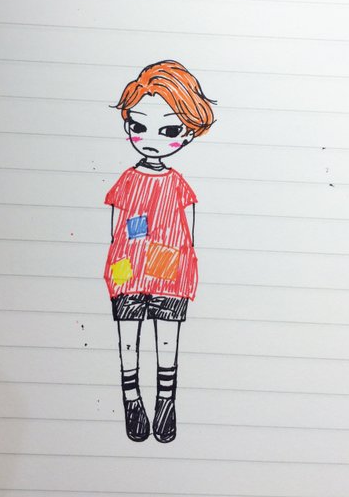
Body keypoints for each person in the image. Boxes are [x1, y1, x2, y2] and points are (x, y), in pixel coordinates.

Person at [103, 60, 216, 443]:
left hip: (169, 273)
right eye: (138, 126)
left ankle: (165, 403)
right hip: (127, 269)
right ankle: (132, 400)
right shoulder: (127, 181)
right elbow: (118, 233)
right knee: (128, 337)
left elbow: (188, 239)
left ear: (188, 133)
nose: (149, 138)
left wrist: (161, 254)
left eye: (168, 130)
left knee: (167, 339)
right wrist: (128, 264)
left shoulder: (179, 185)